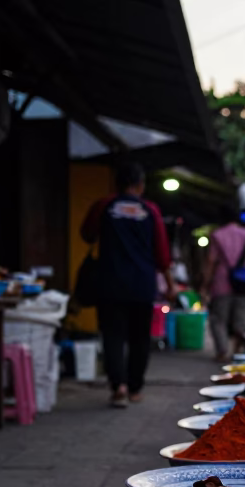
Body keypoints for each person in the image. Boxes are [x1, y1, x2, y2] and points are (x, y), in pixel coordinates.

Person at [80, 162, 176, 408]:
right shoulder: (151, 211)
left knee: (112, 336)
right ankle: (134, 389)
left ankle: (118, 386)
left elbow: (87, 234)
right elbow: (162, 255)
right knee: (140, 338)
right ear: (140, 185)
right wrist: (170, 285)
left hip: (110, 283)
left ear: (117, 184)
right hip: (142, 285)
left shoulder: (104, 206)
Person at [202, 206, 245, 362]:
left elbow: (211, 261)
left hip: (222, 282)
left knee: (219, 318)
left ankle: (222, 351)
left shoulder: (218, 235)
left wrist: (205, 284)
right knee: (241, 320)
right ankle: (237, 351)